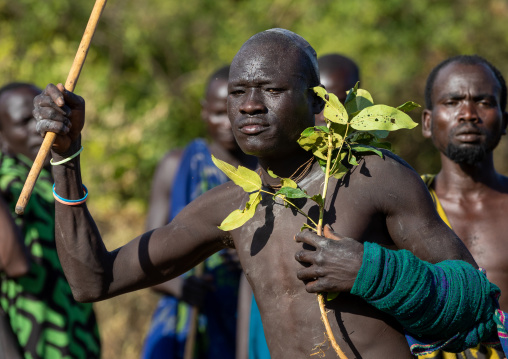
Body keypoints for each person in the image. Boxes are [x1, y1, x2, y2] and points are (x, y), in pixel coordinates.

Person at [33, 29, 507, 358]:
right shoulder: (232, 206)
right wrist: (66, 158)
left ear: (316, 100)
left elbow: (475, 302)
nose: (250, 106)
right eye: (238, 93)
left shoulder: (372, 177)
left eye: (270, 89)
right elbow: (92, 281)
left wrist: (372, 271)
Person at [237, 51, 361, 359]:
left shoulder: (373, 177)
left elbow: (465, 287)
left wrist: (373, 271)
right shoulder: (255, 196)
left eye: (340, 104)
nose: (330, 117)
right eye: (324, 104)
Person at [141, 65, 256, 359]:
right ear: (204, 111)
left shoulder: (262, 173)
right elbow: (147, 258)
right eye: (219, 113)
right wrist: (180, 287)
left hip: (245, 318)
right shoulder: (177, 165)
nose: (227, 124)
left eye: (235, 114)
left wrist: (246, 253)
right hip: (186, 315)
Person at [0, 82, 101, 359]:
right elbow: (16, 263)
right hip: (29, 337)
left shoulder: (51, 180)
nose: (38, 129)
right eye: (23, 123)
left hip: (75, 335)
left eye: (39, 117)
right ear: (2, 137)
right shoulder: (6, 180)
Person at [418, 55, 508, 359]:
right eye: (453, 101)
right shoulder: (405, 207)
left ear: (504, 120)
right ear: (428, 122)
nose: (468, 113)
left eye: (483, 102)